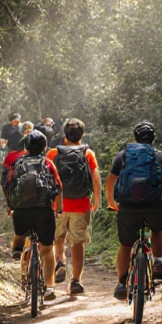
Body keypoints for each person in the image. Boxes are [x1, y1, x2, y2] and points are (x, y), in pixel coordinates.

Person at [106, 121, 162, 301]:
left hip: (128, 207)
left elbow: (110, 181)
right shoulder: (160, 157)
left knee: (125, 245)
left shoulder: (123, 156)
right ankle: (158, 263)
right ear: (153, 138)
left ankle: (122, 284)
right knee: (158, 228)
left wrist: (111, 202)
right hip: (154, 205)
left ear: (135, 137)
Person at [3, 130, 64, 301]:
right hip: (44, 211)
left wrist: (11, 205)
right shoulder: (47, 163)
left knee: (20, 234)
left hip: (21, 211)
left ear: (26, 147)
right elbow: (58, 186)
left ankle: (16, 248)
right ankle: (50, 287)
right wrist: (58, 208)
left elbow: (8, 185)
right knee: (46, 249)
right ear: (44, 147)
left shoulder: (18, 164)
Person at [46, 118, 101, 295]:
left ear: (65, 134)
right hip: (81, 204)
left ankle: (60, 260)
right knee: (78, 243)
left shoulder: (53, 153)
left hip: (58, 204)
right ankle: (76, 281)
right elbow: (95, 178)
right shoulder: (87, 153)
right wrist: (97, 199)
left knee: (58, 237)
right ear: (82, 135)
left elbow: (45, 178)